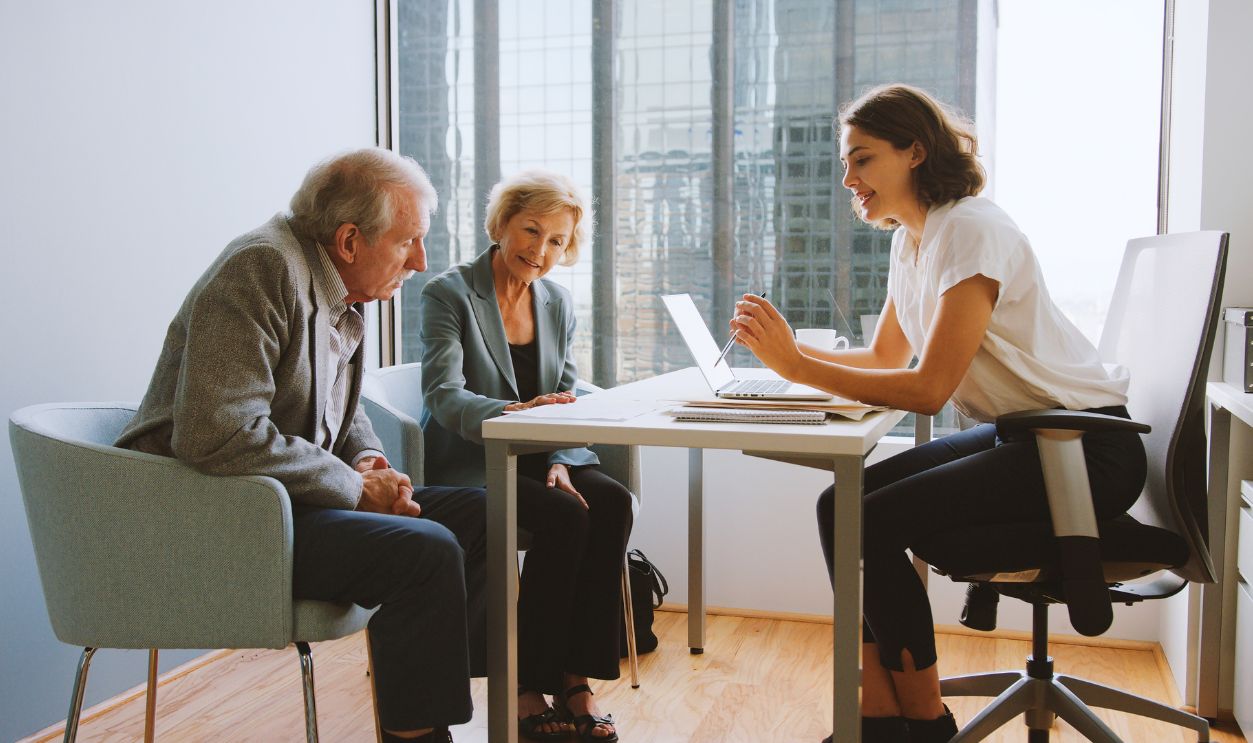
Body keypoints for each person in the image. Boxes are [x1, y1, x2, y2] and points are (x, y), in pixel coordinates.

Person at [729, 84, 1147, 743]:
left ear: (915, 152)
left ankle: (924, 723)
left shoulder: (970, 229)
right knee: (839, 507)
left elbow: (927, 389)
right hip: (1025, 438)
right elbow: (884, 357)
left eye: (862, 159)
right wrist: (782, 366)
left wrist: (798, 367)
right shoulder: (912, 240)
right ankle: (876, 715)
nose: (848, 179)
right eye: (846, 163)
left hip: (1083, 452)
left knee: (869, 519)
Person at [116, 148, 486, 743]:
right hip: (220, 518)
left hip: (288, 504)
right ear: (349, 240)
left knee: (487, 515)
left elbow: (341, 405)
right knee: (427, 550)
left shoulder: (339, 289)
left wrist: (366, 459)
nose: (421, 261)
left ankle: (483, 703)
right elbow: (219, 432)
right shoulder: (262, 268)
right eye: (407, 241)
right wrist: (354, 487)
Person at [419, 169, 632, 742]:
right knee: (564, 516)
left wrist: (561, 456)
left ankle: (575, 679)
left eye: (557, 240)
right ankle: (524, 685)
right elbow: (442, 394)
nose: (540, 250)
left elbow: (565, 390)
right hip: (475, 457)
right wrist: (514, 414)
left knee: (610, 502)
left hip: (542, 451)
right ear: (502, 224)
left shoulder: (557, 301)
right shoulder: (449, 293)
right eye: (531, 230)